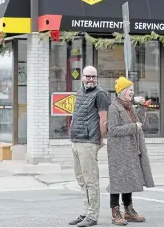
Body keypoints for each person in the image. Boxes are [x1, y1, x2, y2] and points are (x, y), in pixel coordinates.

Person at [106, 76, 155, 226]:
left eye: (133, 90)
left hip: (131, 149)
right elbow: (112, 130)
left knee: (129, 179)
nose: (132, 92)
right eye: (130, 89)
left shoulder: (130, 106)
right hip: (118, 150)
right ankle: (115, 213)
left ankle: (128, 210)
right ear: (121, 91)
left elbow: (140, 122)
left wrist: (142, 107)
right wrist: (133, 127)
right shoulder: (114, 107)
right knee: (117, 181)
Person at [69, 66, 110, 227]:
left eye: (93, 76)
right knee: (81, 179)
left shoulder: (100, 94)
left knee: (91, 179)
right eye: (88, 76)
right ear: (82, 77)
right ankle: (86, 212)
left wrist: (100, 140)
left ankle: (92, 215)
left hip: (88, 142)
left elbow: (104, 120)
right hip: (76, 141)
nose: (90, 79)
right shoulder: (80, 93)